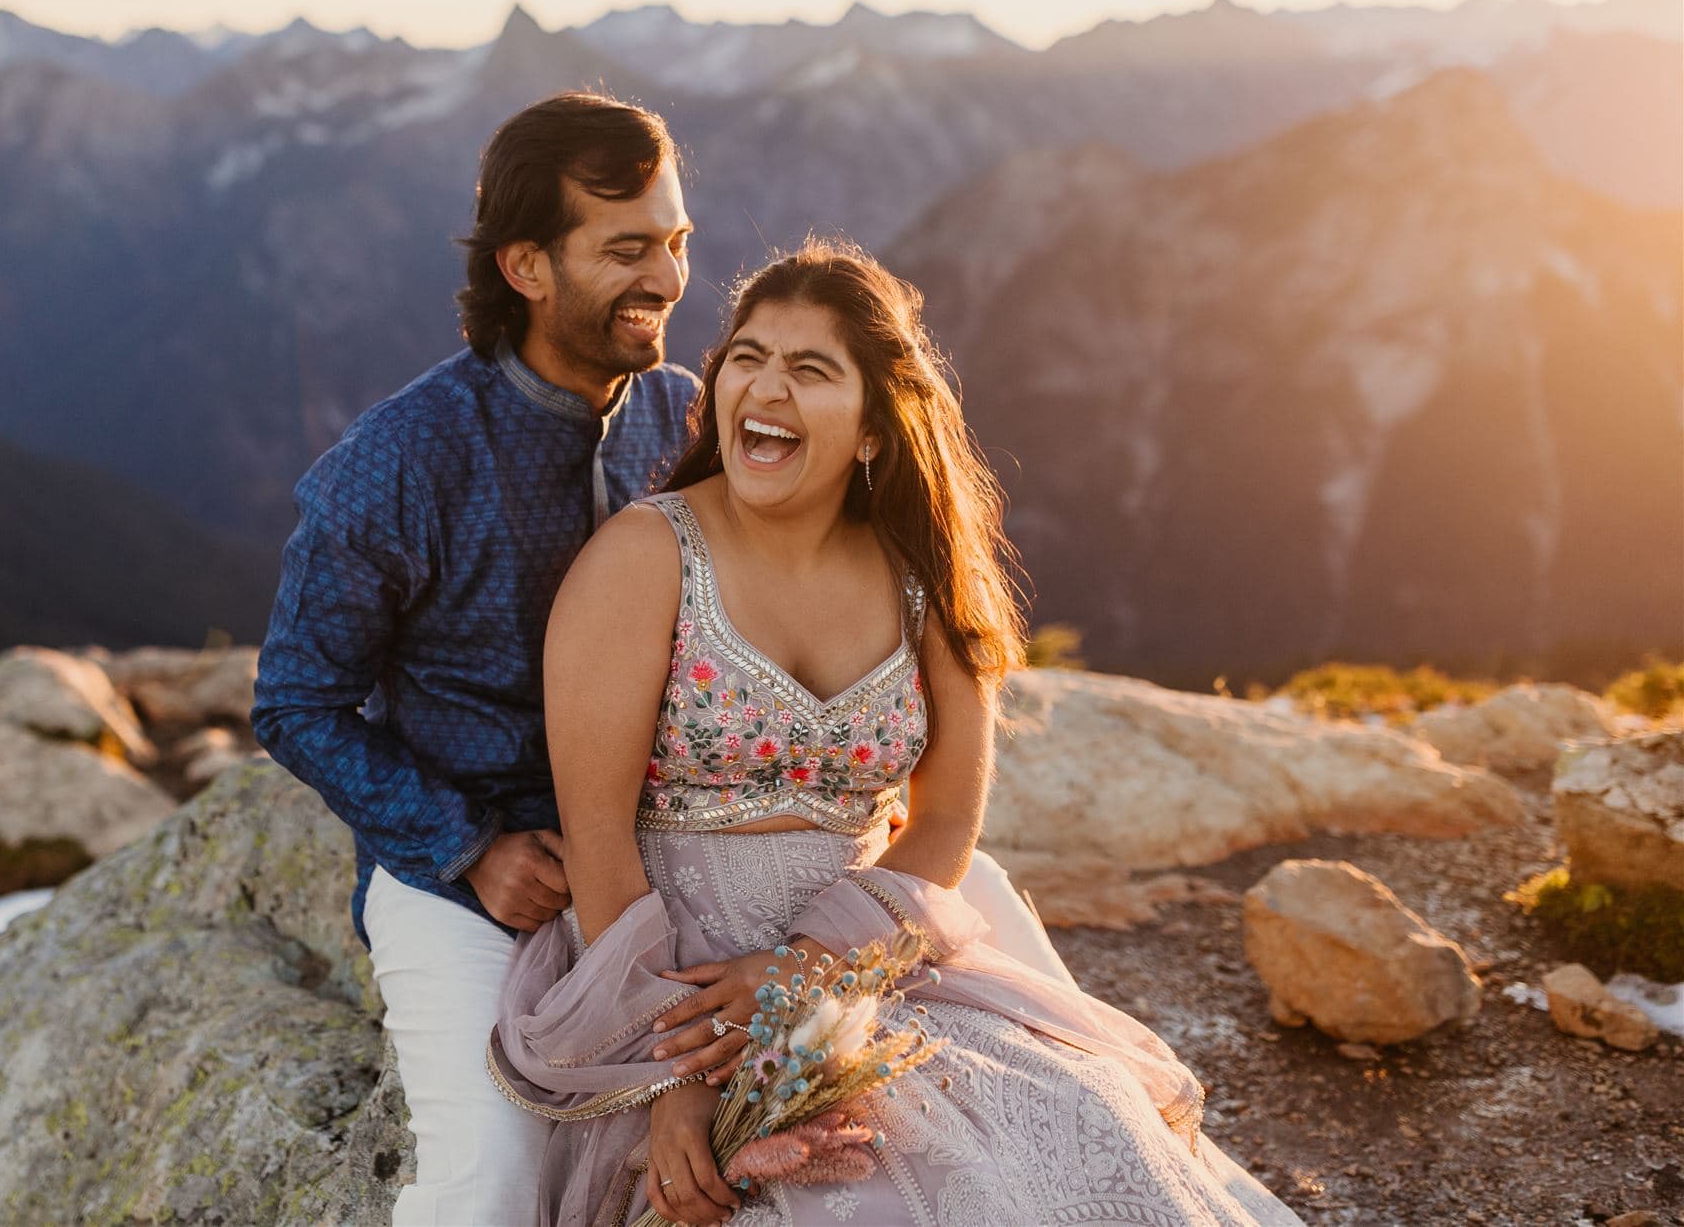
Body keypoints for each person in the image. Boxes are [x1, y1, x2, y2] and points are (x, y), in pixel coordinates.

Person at [254, 94, 1072, 1225]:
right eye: (628, 249)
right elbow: (296, 701)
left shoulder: (683, 410)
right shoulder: (397, 463)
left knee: (1047, 1086)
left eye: (677, 242)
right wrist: (467, 845)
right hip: (482, 877)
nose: (669, 278)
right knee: (492, 1183)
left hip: (690, 845)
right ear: (528, 266)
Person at [490, 240, 1302, 1226]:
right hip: (669, 979)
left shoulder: (920, 577)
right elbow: (598, 839)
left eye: (809, 368)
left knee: (1080, 1137)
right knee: (832, 1197)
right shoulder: (642, 557)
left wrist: (809, 976)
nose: (765, 386)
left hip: (865, 960)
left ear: (872, 428)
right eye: (745, 357)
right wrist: (676, 1079)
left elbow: (948, 816)